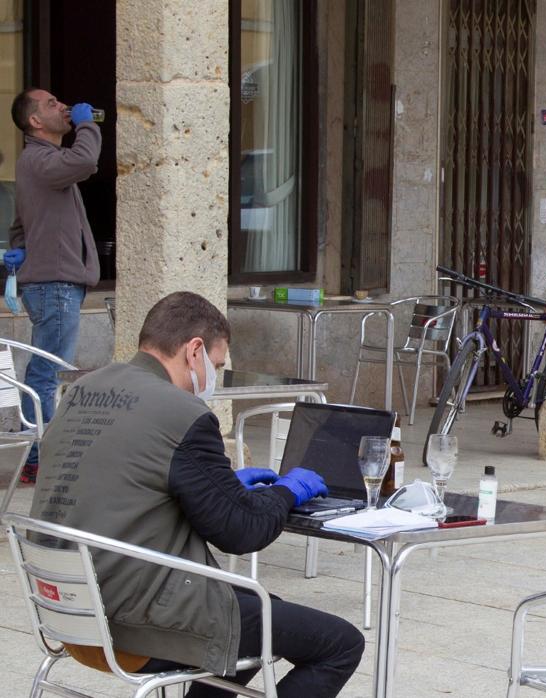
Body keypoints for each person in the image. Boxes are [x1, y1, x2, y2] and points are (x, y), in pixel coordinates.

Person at [30, 292, 364, 697]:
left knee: (251, 612)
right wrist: (286, 491)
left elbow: (124, 480)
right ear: (194, 351)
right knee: (338, 644)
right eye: (217, 365)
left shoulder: (80, 392)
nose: (214, 378)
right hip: (138, 624)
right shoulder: (181, 413)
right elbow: (243, 531)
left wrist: (221, 485)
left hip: (70, 614)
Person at [6, 87, 102, 483]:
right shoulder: (41, 159)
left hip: (52, 283)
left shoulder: (40, 163)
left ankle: (38, 454)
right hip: (55, 285)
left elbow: (18, 226)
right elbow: (86, 160)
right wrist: (86, 123)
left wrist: (22, 252)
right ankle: (39, 458)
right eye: (51, 105)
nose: (62, 106)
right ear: (34, 122)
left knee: (45, 372)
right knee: (46, 375)